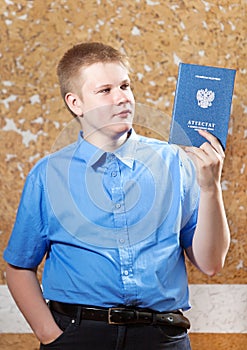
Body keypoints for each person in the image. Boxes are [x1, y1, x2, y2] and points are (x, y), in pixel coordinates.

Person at [4, 42, 230, 350]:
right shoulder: (48, 174)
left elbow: (210, 263)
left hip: (161, 337)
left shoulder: (177, 162)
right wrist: (51, 336)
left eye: (125, 86)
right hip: (78, 336)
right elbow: (19, 266)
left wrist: (210, 187)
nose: (122, 97)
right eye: (105, 90)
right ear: (76, 103)